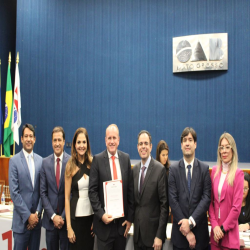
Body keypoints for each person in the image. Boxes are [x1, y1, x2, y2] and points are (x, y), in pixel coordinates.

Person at [89, 124, 134, 250]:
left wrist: (130, 219)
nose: (112, 141)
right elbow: (92, 192)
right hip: (104, 228)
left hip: (121, 227)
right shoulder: (97, 160)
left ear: (119, 140)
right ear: (105, 140)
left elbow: (130, 192)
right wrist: (101, 214)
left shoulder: (126, 159)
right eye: (109, 138)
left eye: (114, 138)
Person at [168, 127, 211, 250]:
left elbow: (206, 198)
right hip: (180, 239)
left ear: (195, 144)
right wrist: (186, 231)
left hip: (200, 238)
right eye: (185, 140)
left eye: (190, 140)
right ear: (181, 145)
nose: (187, 143)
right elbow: (173, 200)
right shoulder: (173, 170)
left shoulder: (204, 169)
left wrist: (190, 222)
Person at [9, 123, 43, 250]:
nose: (28, 139)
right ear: (22, 139)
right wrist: (28, 216)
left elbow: (42, 191)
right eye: (26, 136)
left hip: (36, 224)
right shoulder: (14, 161)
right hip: (21, 224)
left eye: (31, 136)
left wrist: (36, 215)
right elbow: (14, 192)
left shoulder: (41, 161)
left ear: (34, 139)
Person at [133, 130, 168, 250]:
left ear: (151, 146)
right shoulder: (135, 170)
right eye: (141, 144)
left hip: (154, 239)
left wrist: (159, 235)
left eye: (146, 143)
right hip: (137, 237)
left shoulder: (160, 170)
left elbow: (164, 205)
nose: (143, 147)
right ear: (137, 147)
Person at [209, 132, 244, 250]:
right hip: (215, 236)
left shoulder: (238, 174)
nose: (224, 151)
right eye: (221, 147)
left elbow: (236, 208)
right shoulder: (214, 172)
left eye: (227, 147)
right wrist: (215, 227)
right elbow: (210, 203)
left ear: (232, 150)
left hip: (229, 237)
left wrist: (222, 229)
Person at [40, 126, 70, 250]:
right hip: (50, 222)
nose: (57, 143)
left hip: (65, 223)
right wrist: (53, 216)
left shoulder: (71, 162)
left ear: (64, 141)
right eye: (54, 140)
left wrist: (62, 217)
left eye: (59, 140)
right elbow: (43, 193)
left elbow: (71, 193)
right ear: (52, 142)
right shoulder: (44, 163)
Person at [65, 128, 94, 250]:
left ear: (87, 144)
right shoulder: (70, 165)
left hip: (91, 222)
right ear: (74, 144)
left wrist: (96, 223)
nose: (81, 145)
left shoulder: (93, 164)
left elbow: (97, 194)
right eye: (79, 142)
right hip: (75, 221)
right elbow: (66, 198)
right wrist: (69, 227)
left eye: (84, 142)